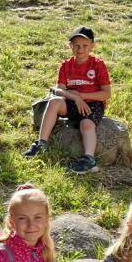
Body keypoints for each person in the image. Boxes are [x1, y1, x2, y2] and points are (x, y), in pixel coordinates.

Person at [24, 26, 110, 175]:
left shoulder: (97, 65)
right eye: (76, 45)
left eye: (85, 45)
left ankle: (89, 159)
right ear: (70, 46)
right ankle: (41, 144)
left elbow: (106, 94)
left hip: (92, 103)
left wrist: (82, 97)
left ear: (92, 46)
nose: (80, 49)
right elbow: (59, 90)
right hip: (72, 101)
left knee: (86, 125)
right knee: (55, 101)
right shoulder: (66, 65)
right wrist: (76, 98)